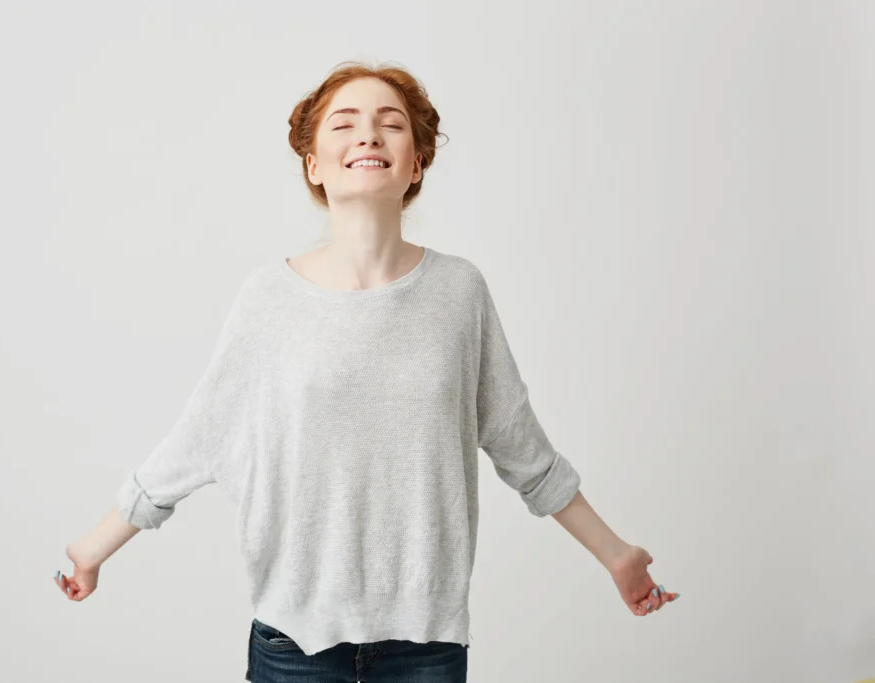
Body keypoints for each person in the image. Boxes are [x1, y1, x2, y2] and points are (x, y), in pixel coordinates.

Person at [53, 61, 679, 682]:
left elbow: (523, 449)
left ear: (417, 163)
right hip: (293, 641)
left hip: (426, 644)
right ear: (313, 165)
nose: (369, 136)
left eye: (391, 124)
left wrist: (618, 556)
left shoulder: (460, 292)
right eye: (345, 123)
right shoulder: (268, 299)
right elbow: (199, 437)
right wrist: (93, 548)